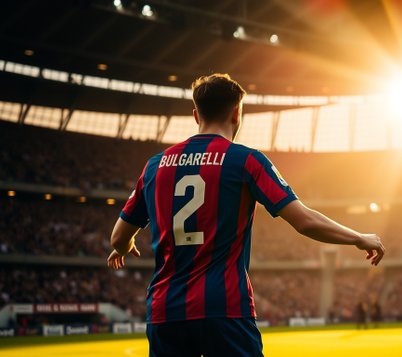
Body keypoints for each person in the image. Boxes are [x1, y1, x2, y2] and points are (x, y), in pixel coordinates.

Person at [106, 73, 385, 357]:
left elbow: (118, 237)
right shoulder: (246, 160)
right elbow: (304, 221)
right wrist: (359, 237)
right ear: (237, 114)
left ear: (195, 115)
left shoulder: (155, 166)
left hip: (166, 312)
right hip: (224, 309)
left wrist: (124, 248)